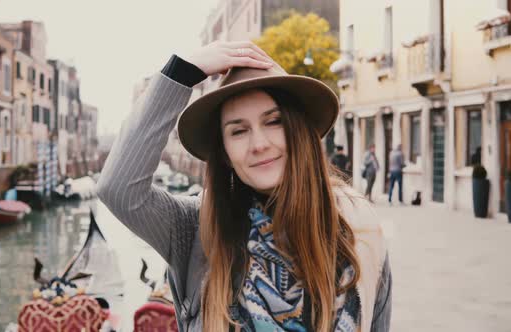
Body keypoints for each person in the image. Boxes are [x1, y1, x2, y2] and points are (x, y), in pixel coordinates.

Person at [97, 41, 391, 331]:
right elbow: (118, 188)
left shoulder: (358, 227)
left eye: (273, 121)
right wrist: (181, 73)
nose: (259, 144)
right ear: (224, 152)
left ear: (298, 131)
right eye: (238, 131)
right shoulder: (194, 228)